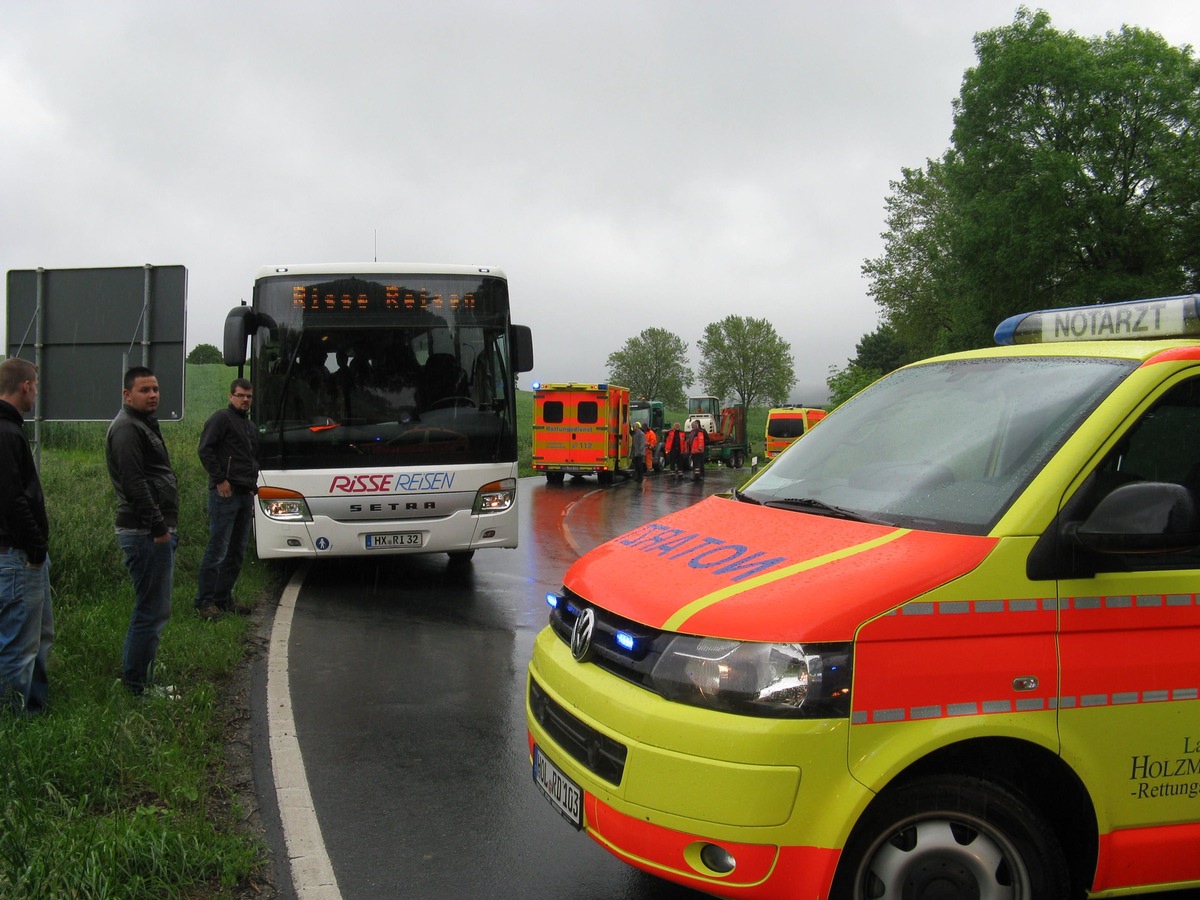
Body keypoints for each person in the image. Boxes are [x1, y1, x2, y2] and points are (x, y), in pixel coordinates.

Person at [106, 366, 179, 696]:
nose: (153, 395)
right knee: (151, 610)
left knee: (151, 608)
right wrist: (159, 528)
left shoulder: (141, 424)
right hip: (145, 533)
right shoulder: (127, 430)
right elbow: (135, 486)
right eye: (144, 390)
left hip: (149, 531)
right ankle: (137, 684)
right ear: (127, 395)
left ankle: (140, 668)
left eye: (156, 389)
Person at [0, 358, 53, 714]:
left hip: (21, 553)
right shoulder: (6, 432)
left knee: (35, 638)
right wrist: (35, 547)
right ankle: (13, 722)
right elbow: (11, 498)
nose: (36, 391)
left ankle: (34, 707)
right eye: (35, 384)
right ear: (26, 386)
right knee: (18, 647)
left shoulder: (9, 428)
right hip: (17, 554)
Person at [194, 379, 260, 620]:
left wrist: (253, 487)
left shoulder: (250, 426)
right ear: (231, 396)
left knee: (237, 551)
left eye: (249, 396)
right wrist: (220, 479)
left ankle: (223, 598)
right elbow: (206, 450)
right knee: (218, 549)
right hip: (225, 493)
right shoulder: (221, 419)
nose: (245, 400)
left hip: (245, 492)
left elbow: (252, 459)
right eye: (241, 395)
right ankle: (204, 601)